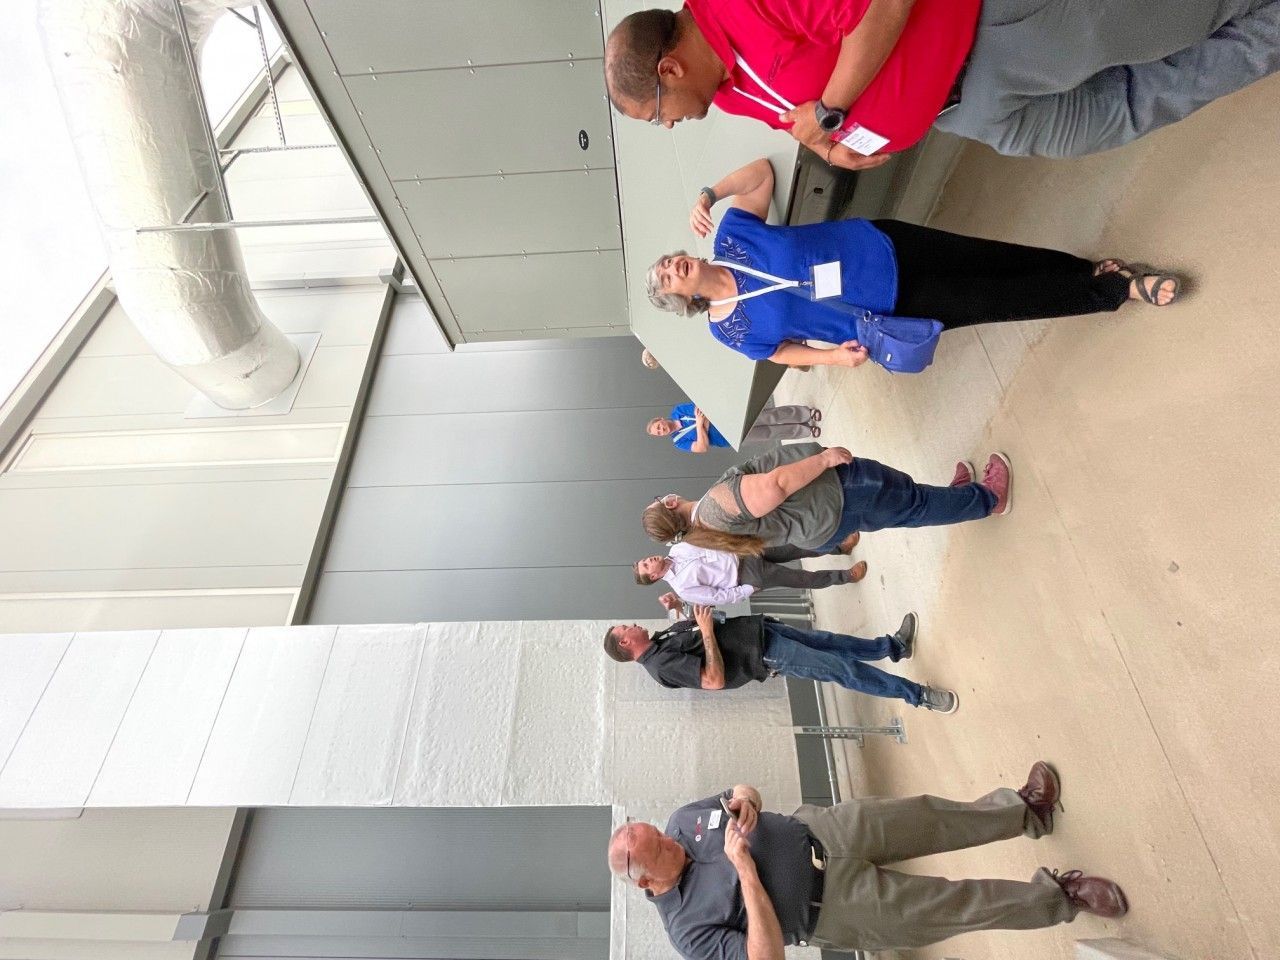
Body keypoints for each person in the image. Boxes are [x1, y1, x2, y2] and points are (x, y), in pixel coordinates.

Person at [647, 157, 1182, 371]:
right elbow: (780, 352)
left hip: (883, 244)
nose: (674, 267)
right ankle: (1115, 292)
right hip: (890, 308)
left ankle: (1085, 271)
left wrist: (710, 193)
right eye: (669, 278)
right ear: (683, 300)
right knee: (997, 300)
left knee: (992, 256)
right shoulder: (729, 330)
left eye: (669, 261)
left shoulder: (732, 235)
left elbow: (762, 174)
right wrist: (832, 359)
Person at [604, 2, 1280, 161]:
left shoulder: (740, 5)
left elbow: (884, 6)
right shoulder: (727, 94)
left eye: (656, 113)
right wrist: (840, 151)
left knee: (1175, 17)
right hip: (967, 114)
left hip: (993, 35)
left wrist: (832, 112)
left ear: (669, 69)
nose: (668, 123)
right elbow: (809, 125)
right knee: (1142, 104)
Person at [608, 765, 1129, 956]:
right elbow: (764, 958)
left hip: (823, 830)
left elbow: (740, 791)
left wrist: (747, 799)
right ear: (647, 882)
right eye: (665, 850)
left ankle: (1025, 811)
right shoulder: (687, 931)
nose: (676, 841)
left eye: (665, 835)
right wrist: (744, 870)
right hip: (836, 909)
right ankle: (1060, 898)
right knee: (956, 905)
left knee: (930, 816)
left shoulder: (681, 821)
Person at [643, 443, 1012, 562]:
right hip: (832, 497)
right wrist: (822, 460)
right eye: (659, 500)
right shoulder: (714, 506)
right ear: (671, 504)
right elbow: (775, 485)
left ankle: (957, 497)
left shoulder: (705, 529)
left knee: (904, 504)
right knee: (908, 502)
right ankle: (988, 499)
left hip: (823, 518)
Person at [603, 603, 957, 711]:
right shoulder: (659, 666)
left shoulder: (659, 642)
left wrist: (682, 610)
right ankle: (919, 696)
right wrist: (708, 631)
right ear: (626, 643)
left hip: (760, 633)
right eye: (626, 628)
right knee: (843, 670)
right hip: (766, 654)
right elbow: (713, 679)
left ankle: (893, 648)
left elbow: (695, 634)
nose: (633, 623)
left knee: (831, 643)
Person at [634, 537, 867, 612]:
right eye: (646, 565)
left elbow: (710, 540)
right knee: (800, 578)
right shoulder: (683, 588)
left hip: (745, 550)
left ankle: (840, 547)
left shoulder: (678, 548)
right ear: (653, 577)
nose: (649, 560)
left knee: (796, 547)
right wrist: (748, 589)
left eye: (645, 559)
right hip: (746, 575)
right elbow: (717, 597)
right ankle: (847, 576)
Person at [649, 402, 824, 452]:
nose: (662, 430)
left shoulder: (678, 411)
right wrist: (700, 424)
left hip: (731, 418)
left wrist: (702, 431)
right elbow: (702, 448)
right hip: (729, 437)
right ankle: (805, 430)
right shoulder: (679, 442)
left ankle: (806, 413)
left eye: (659, 426)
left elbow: (706, 410)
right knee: (768, 433)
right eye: (659, 433)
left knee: (769, 415)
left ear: (660, 419)